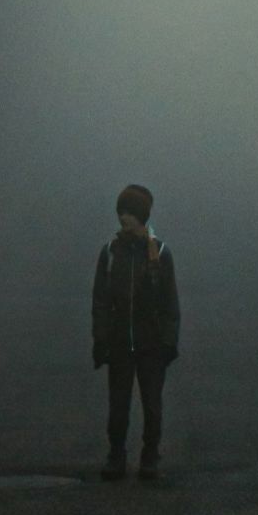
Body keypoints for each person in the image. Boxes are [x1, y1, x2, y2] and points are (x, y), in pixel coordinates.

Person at [92, 183, 181, 481]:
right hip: (119, 343)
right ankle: (116, 455)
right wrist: (100, 337)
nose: (124, 218)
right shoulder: (110, 253)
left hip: (152, 344)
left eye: (129, 212)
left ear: (142, 215)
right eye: (121, 212)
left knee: (152, 406)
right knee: (118, 407)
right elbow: (100, 300)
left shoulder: (161, 254)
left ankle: (150, 456)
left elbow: (170, 303)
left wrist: (169, 342)